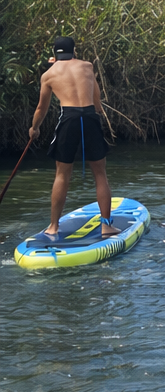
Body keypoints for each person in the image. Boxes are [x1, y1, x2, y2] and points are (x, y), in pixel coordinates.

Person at [28, 37, 115, 240]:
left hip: (69, 118)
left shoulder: (48, 75)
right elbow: (97, 102)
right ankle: (106, 227)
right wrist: (96, 114)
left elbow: (41, 108)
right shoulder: (87, 66)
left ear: (54, 54)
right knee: (100, 173)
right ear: (74, 51)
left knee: (62, 174)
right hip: (90, 116)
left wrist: (34, 128)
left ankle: (53, 226)